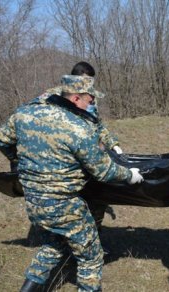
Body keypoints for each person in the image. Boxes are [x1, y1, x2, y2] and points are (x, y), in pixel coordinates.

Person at [0, 75, 144, 292]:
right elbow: (103, 171)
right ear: (75, 98)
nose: (92, 104)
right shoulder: (78, 128)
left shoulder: (24, 114)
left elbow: (0, 140)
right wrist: (130, 175)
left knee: (54, 246)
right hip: (65, 205)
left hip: (34, 201)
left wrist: (19, 162)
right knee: (91, 258)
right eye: (90, 100)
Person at [30, 61, 120, 233]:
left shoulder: (89, 97)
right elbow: (34, 121)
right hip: (65, 160)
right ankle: (70, 245)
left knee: (98, 199)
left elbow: (97, 124)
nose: (90, 87)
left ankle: (94, 238)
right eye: (86, 81)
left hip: (89, 156)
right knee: (72, 208)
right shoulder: (51, 96)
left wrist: (112, 143)